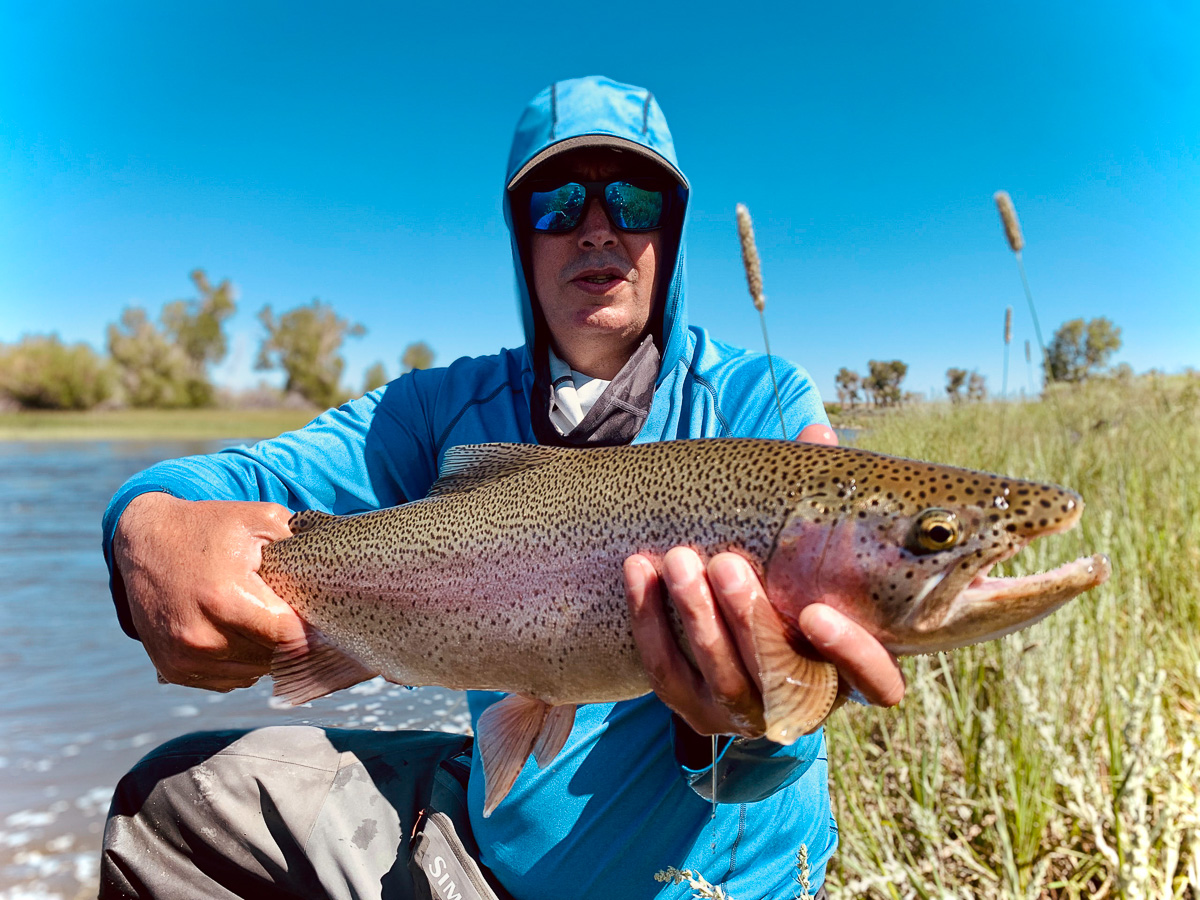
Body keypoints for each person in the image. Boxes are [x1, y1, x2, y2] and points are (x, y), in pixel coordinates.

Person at [98, 75, 905, 900]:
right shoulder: (437, 406)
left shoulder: (755, 405)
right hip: (480, 845)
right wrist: (145, 527)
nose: (597, 230)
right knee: (166, 802)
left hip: (707, 884)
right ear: (521, 235)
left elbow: (764, 770)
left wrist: (756, 720)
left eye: (632, 199)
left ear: (671, 229)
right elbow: (223, 484)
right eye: (558, 203)